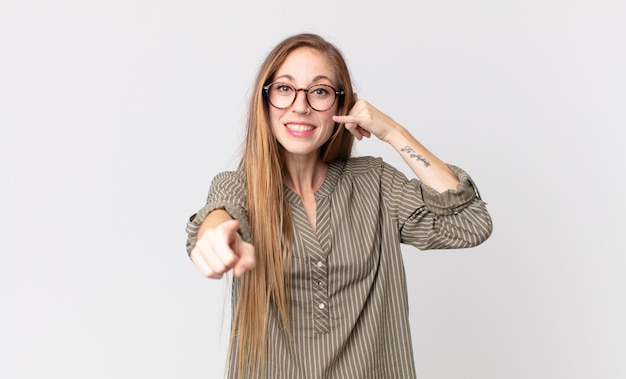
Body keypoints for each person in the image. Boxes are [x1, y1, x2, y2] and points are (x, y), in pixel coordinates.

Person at [185, 33, 493, 379]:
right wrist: (213, 233)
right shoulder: (239, 187)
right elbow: (219, 214)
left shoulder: (374, 182)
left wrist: (392, 132)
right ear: (265, 101)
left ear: (342, 107)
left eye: (319, 92)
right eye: (285, 89)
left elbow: (470, 222)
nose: (300, 106)